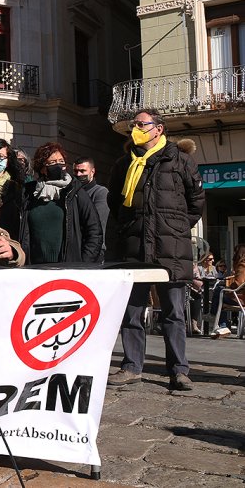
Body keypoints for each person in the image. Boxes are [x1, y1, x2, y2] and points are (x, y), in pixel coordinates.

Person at [107, 109, 204, 391]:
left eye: (141, 124)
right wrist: (128, 227)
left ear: (158, 129)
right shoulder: (124, 163)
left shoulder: (181, 160)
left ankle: (178, 370)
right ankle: (132, 366)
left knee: (173, 312)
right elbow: (115, 201)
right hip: (135, 247)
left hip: (170, 248)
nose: (135, 128)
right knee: (132, 310)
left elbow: (196, 201)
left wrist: (177, 228)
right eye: (133, 125)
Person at [18, 142, 102, 265]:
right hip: (34, 268)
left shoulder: (75, 191)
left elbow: (94, 231)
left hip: (68, 268)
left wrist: (83, 263)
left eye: (61, 161)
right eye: (52, 163)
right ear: (42, 168)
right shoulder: (29, 193)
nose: (58, 165)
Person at [73, 157, 109, 261]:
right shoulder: (71, 193)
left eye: (83, 171)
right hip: (75, 250)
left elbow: (97, 224)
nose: (79, 174)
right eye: (76, 171)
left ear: (92, 172)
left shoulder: (100, 192)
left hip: (93, 251)